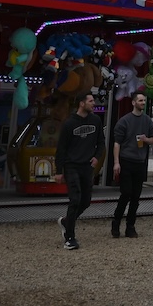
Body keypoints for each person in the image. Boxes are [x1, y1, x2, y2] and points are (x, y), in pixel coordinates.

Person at [54, 93, 104, 250]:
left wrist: (97, 157)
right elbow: (61, 148)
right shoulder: (69, 123)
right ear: (81, 103)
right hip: (71, 166)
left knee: (85, 201)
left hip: (87, 166)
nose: (93, 103)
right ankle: (70, 238)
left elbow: (101, 142)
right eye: (90, 101)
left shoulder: (96, 120)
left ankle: (65, 221)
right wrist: (58, 170)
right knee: (75, 199)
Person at [110, 94, 153, 237]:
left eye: (144, 100)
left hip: (140, 162)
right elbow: (117, 143)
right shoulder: (124, 121)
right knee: (126, 193)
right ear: (133, 102)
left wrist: (146, 140)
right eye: (140, 100)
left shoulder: (148, 121)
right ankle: (116, 222)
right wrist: (116, 163)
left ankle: (130, 226)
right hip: (126, 160)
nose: (143, 102)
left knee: (136, 196)